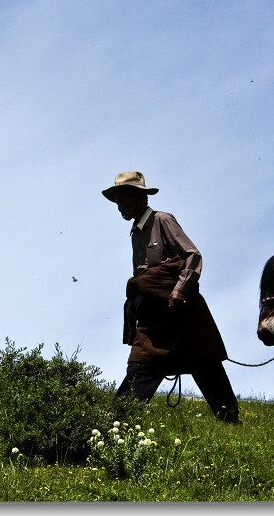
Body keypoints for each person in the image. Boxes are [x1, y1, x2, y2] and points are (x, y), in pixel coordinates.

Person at [102, 171, 239, 423]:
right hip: (154, 317)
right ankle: (117, 423)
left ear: (139, 197)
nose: (119, 206)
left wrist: (179, 289)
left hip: (181, 311)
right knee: (142, 363)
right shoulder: (136, 232)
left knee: (205, 362)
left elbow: (192, 255)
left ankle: (230, 421)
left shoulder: (162, 220)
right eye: (117, 201)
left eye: (123, 200)